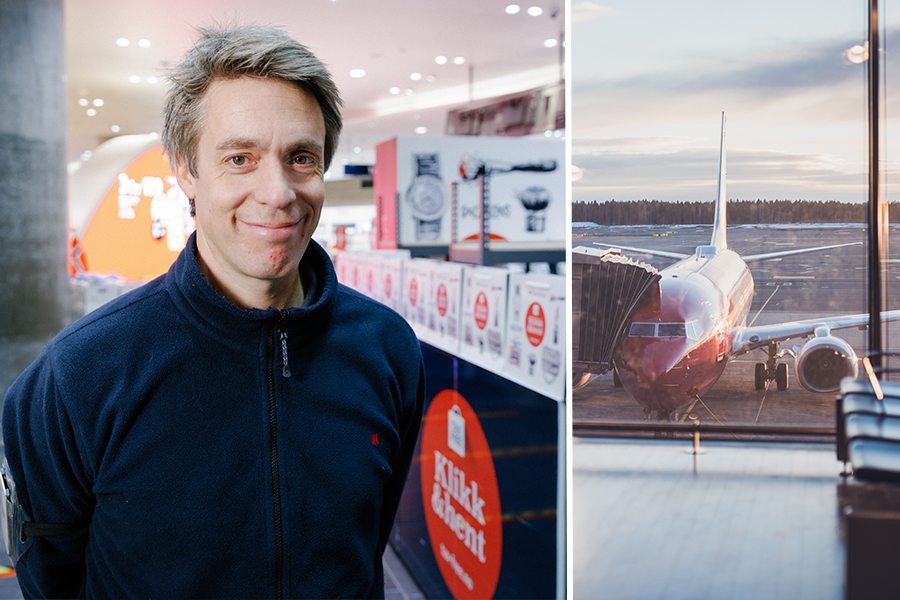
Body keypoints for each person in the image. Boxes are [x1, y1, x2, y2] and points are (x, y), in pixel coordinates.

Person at [2, 23, 424, 599]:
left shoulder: (386, 347)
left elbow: (365, 541)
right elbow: (51, 576)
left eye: (301, 157)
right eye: (240, 158)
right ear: (186, 170)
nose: (278, 192)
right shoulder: (79, 374)